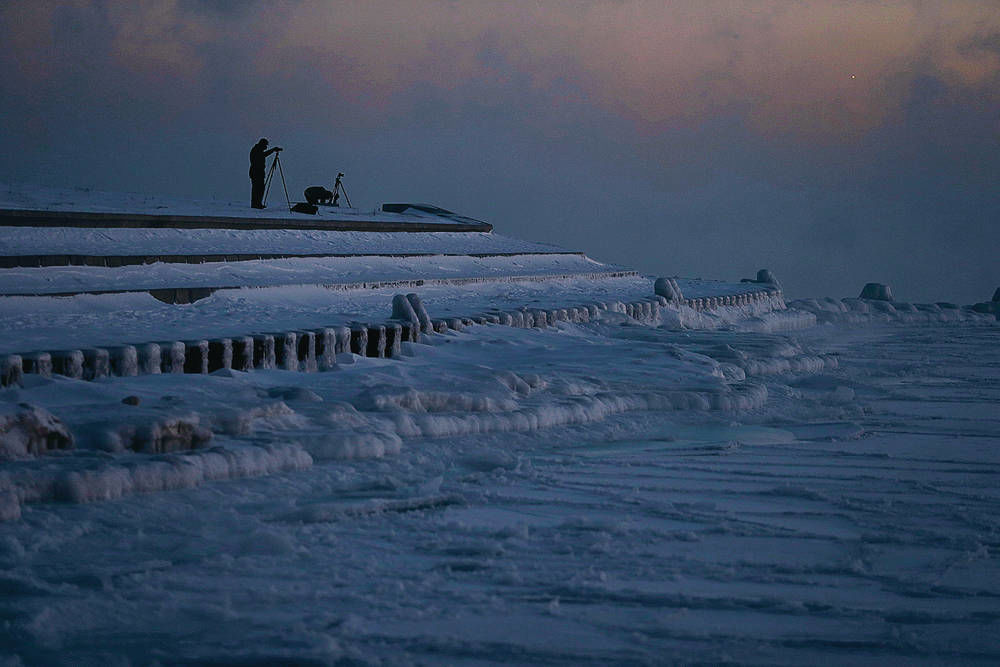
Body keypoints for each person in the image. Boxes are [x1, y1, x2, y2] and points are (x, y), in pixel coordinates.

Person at [249, 138, 282, 209]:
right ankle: (256, 204)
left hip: (258, 172)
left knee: (259, 188)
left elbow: (263, 154)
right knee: (257, 189)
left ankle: (257, 203)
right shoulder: (256, 150)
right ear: (262, 144)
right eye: (265, 145)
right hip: (256, 172)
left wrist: (273, 150)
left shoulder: (257, 149)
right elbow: (263, 155)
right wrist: (273, 150)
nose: (266, 147)